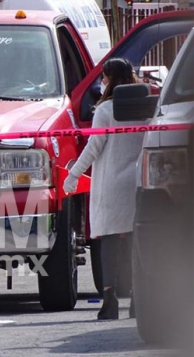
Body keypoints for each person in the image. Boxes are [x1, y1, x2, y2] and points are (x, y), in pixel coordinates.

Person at [63, 57, 145, 320]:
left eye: (104, 77)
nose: (102, 82)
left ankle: (109, 299)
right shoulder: (144, 107)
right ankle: (137, 300)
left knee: (109, 242)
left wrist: (73, 174)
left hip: (110, 186)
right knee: (136, 244)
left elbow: (93, 147)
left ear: (110, 79)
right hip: (136, 184)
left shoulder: (104, 110)